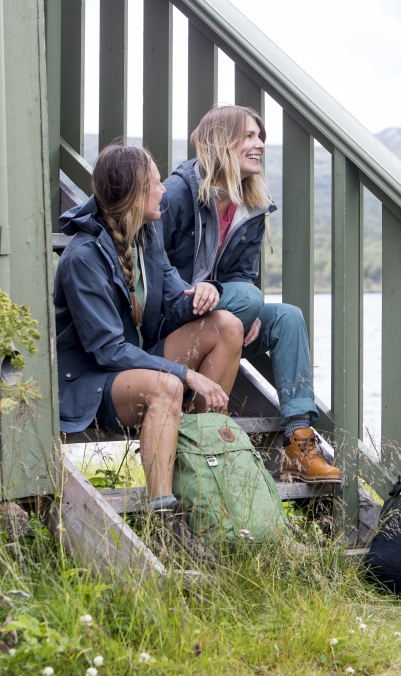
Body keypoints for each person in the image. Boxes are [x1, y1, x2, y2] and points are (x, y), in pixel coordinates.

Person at [54, 144, 244, 510]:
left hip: (138, 362)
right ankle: (164, 514)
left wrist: (204, 293)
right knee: (168, 386)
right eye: (156, 184)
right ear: (135, 194)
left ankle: (202, 472)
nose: (163, 192)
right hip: (91, 381)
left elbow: (175, 301)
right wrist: (188, 375)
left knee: (227, 326)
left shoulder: (147, 235)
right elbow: (108, 350)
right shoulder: (82, 258)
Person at [159, 105, 340, 484]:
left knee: (287, 317)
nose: (259, 144)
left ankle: (299, 443)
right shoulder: (177, 194)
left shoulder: (250, 205)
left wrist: (247, 309)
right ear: (221, 141)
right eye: (249, 136)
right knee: (247, 299)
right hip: (168, 321)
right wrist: (218, 294)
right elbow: (151, 267)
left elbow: (242, 274)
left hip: (218, 313)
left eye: (261, 136)